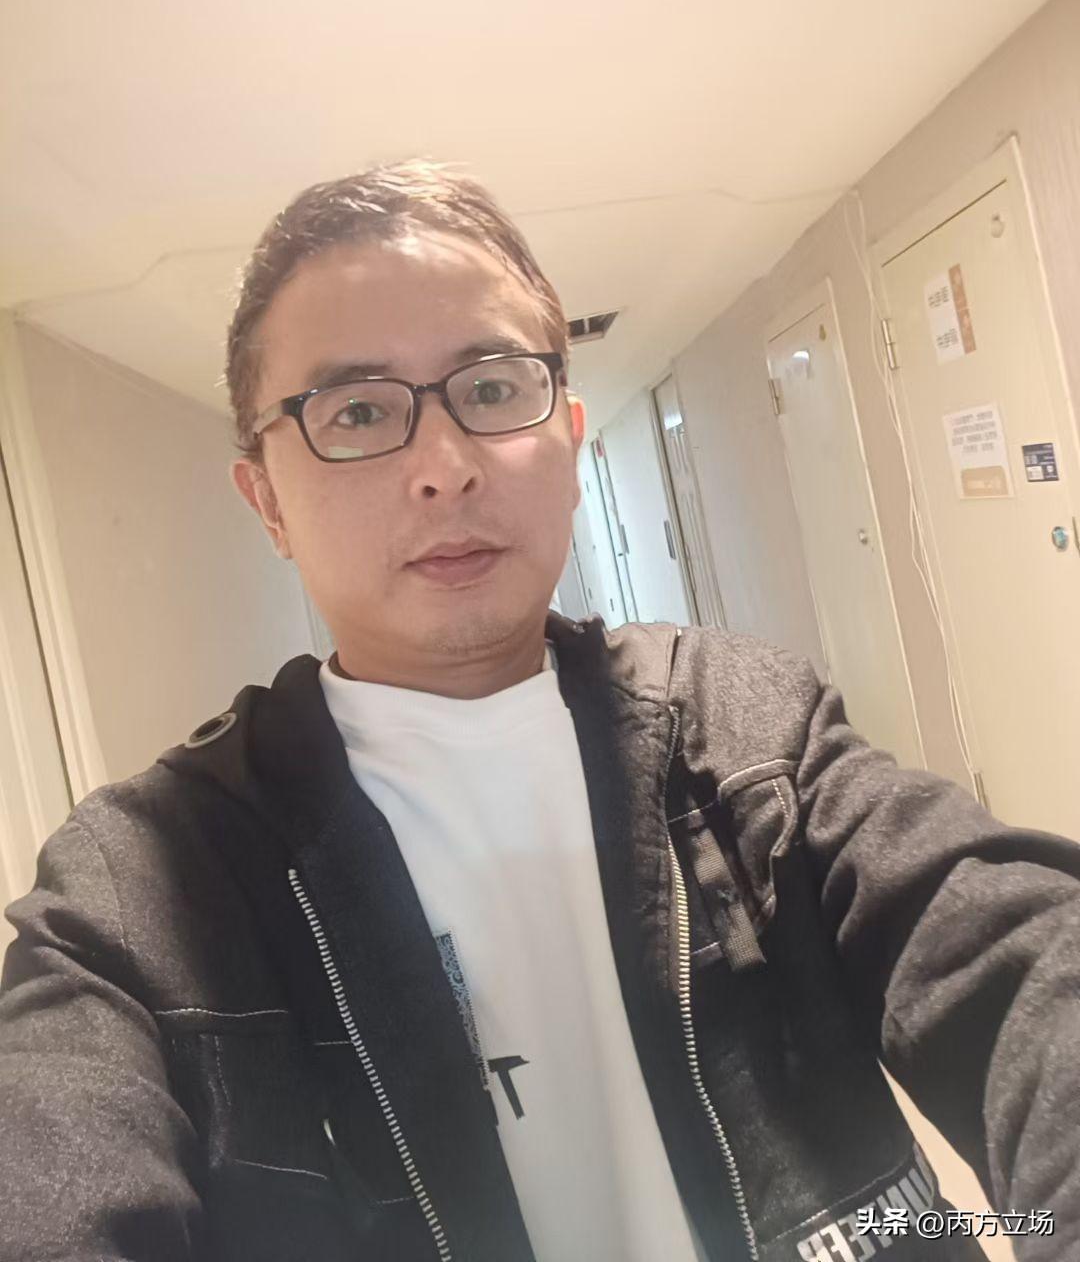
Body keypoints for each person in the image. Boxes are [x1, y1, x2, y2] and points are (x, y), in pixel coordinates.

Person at [1, 161, 1077, 1262]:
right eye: (357, 410)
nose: (444, 467)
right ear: (267, 499)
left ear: (567, 437)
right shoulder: (143, 885)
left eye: (491, 388)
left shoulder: (753, 730)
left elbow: (1024, 958)